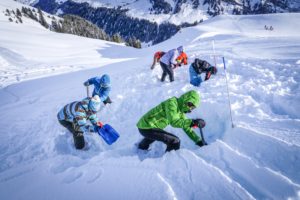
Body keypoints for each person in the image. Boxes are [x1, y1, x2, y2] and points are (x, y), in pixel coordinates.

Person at [136, 90, 206, 152]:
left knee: (153, 136)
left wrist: (198, 141)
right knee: (174, 141)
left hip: (147, 127)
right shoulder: (172, 103)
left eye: (192, 107)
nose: (190, 108)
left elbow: (186, 127)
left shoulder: (180, 112)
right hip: (148, 126)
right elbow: (174, 122)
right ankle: (169, 162)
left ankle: (140, 149)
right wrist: (193, 122)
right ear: (185, 99)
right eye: (190, 104)